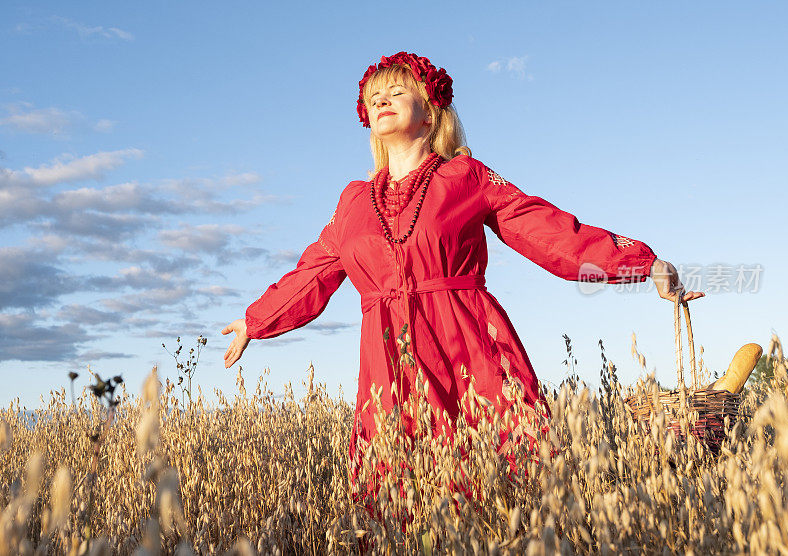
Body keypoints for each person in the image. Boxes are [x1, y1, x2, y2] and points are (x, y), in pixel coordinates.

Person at [221, 51, 703, 495]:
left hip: (468, 342)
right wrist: (256, 321)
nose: (381, 99)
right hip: (387, 358)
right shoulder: (352, 201)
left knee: (498, 479)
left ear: (430, 111)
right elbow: (316, 270)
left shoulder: (466, 177)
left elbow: (549, 232)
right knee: (397, 491)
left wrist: (646, 264)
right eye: (373, 97)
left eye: (397, 91)